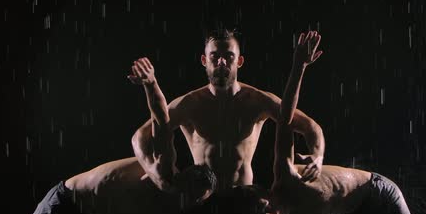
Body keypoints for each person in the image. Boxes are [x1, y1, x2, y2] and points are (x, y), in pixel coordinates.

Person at [234, 31, 426, 214]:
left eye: (262, 208)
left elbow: (285, 119)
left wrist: (299, 66)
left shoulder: (286, 176)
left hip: (378, 194)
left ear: (266, 194)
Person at [0, 58, 217, 214]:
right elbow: (161, 120)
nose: (184, 201)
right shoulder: (163, 170)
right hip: (66, 204)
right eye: (185, 193)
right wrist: (151, 83)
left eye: (193, 201)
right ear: (182, 181)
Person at [131, 29, 326, 192]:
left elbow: (311, 127)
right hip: (202, 197)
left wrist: (318, 157)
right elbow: (140, 136)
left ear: (239, 61)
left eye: (228, 56)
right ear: (204, 60)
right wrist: (152, 171)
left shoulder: (256, 100)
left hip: (244, 196)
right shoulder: (189, 103)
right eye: (214, 56)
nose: (221, 62)